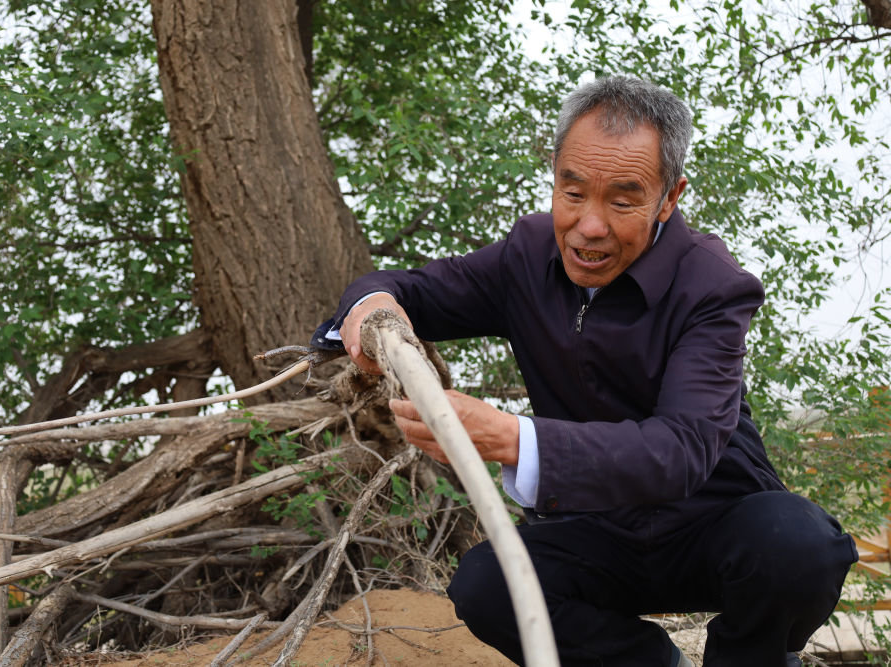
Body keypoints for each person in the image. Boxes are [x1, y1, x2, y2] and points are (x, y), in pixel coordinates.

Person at [325, 76, 857, 667]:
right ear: (554, 173)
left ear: (668, 198)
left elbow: (680, 450)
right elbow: (402, 290)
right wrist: (370, 306)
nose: (590, 226)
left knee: (800, 546)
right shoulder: (526, 256)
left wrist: (511, 438)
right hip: (598, 533)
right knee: (486, 583)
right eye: (572, 192)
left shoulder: (713, 285)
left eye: (623, 201)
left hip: (714, 527)